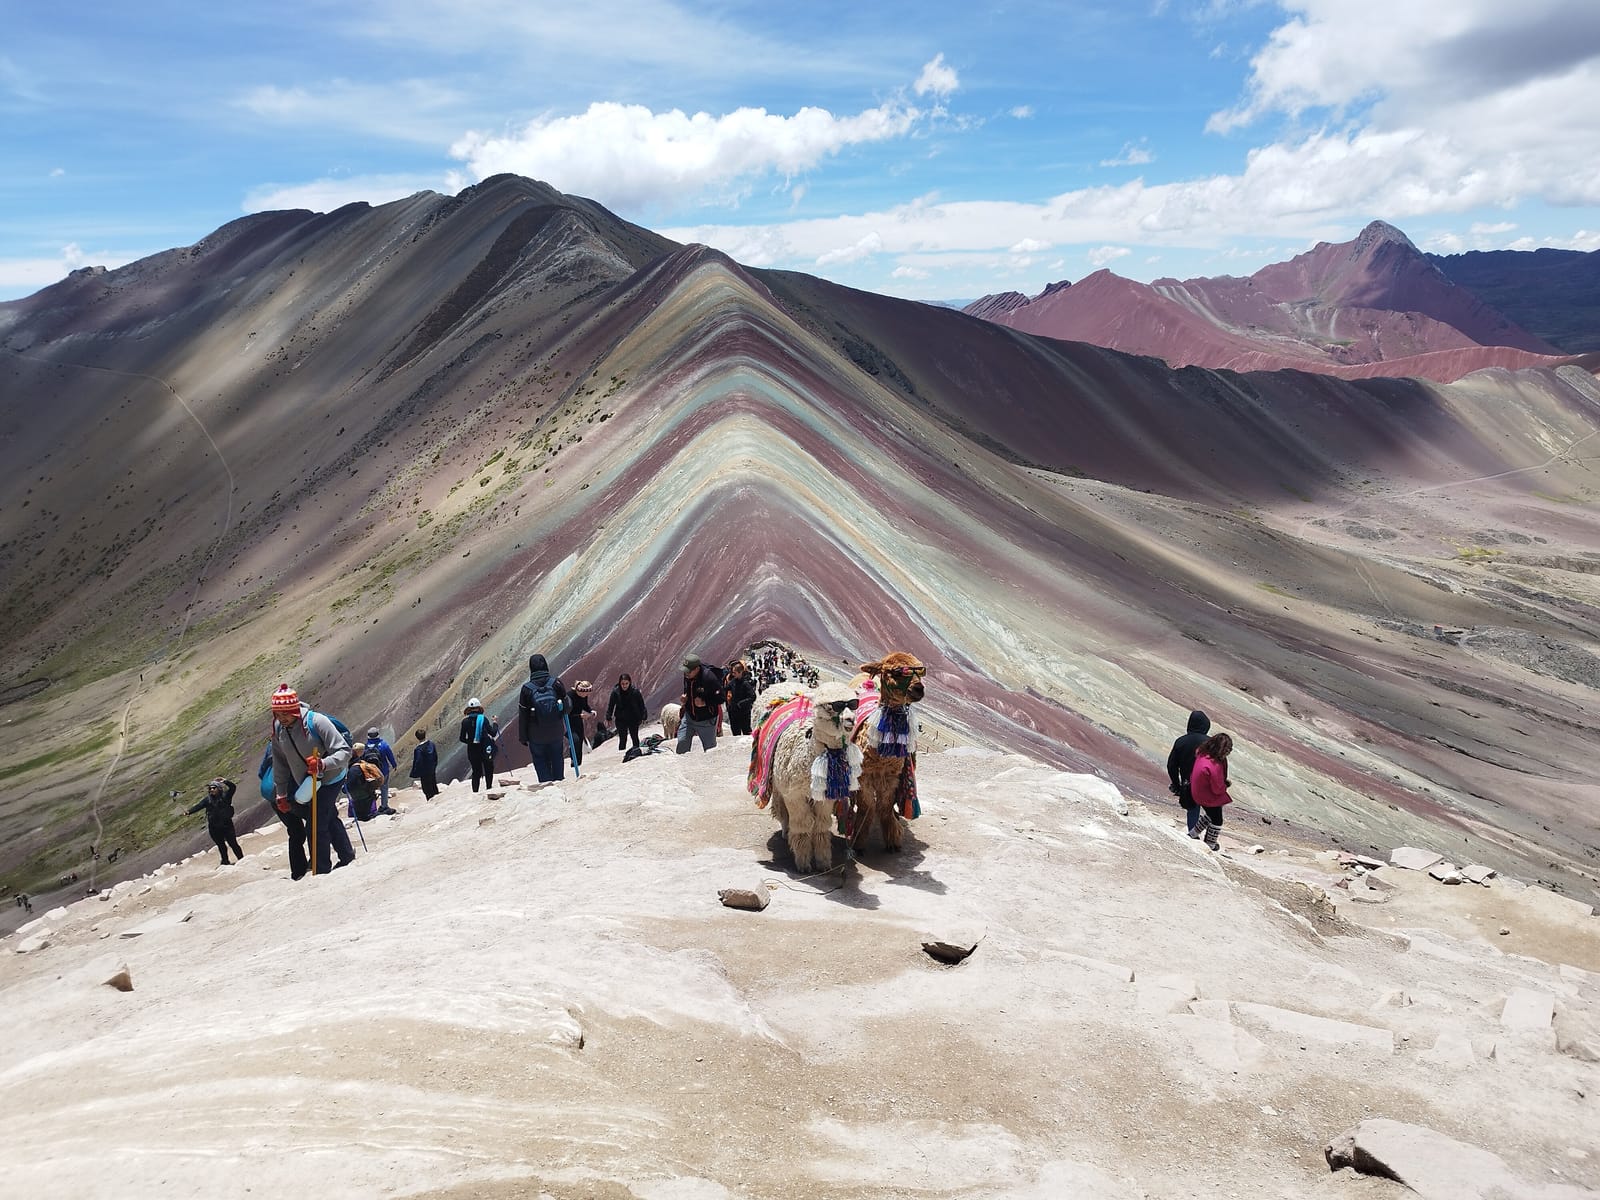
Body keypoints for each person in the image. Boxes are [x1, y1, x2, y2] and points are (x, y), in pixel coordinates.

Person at [269, 683, 355, 877]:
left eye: (286, 714)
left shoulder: (318, 722)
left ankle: (321, 869)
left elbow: (344, 752)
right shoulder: (278, 730)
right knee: (328, 816)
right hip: (308, 782)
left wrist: (323, 764)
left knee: (315, 824)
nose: (282, 719)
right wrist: (280, 793)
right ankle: (347, 855)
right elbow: (280, 763)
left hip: (331, 778)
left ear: (295, 710)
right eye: (278, 714)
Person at [519, 654, 571, 782]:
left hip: (536, 735)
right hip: (556, 731)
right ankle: (559, 780)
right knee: (557, 756)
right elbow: (567, 707)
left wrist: (523, 737)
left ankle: (546, 783)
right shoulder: (556, 683)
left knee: (540, 759)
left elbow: (523, 716)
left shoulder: (526, 689)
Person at [1166, 710, 1211, 838]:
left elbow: (1171, 766)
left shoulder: (1181, 742)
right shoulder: (1211, 743)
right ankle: (1210, 840)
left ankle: (1193, 834)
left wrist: (1176, 785)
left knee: (1192, 809)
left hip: (1188, 784)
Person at [1189, 732, 1235, 852]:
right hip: (1206, 795)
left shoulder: (1202, 753)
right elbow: (1217, 789)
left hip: (1197, 791)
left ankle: (1193, 834)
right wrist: (1226, 785)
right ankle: (1210, 844)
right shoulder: (1214, 765)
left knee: (1211, 814)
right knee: (1217, 819)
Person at [186, 777, 244, 865]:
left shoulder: (226, 796)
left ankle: (242, 859)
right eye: (210, 788)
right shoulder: (207, 800)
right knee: (221, 846)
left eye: (214, 788)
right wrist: (189, 812)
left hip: (227, 826)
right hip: (214, 827)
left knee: (233, 843)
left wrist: (225, 781)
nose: (211, 790)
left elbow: (233, 787)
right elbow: (199, 806)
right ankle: (225, 861)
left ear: (219, 788)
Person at [675, 653, 723, 754]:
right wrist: (685, 698)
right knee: (682, 743)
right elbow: (688, 689)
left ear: (696, 669)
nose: (686, 674)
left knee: (710, 750)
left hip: (706, 720)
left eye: (688, 671)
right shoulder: (687, 675)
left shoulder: (709, 678)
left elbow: (721, 698)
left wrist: (705, 703)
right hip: (689, 717)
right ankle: (682, 767)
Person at [459, 698, 498, 792]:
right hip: (485, 748)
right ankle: (489, 788)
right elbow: (493, 733)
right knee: (488, 769)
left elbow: (462, 738)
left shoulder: (465, 722)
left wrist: (472, 741)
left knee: (476, 772)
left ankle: (475, 792)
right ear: (479, 707)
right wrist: (495, 723)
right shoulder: (483, 719)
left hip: (472, 750)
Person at [606, 672, 647, 753]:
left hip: (633, 718)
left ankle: (636, 752)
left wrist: (644, 716)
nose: (624, 686)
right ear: (619, 683)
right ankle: (621, 755)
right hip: (621, 719)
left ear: (630, 682)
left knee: (634, 736)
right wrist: (608, 716)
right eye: (622, 684)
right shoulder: (616, 692)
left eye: (626, 683)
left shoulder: (635, 692)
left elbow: (641, 704)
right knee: (622, 738)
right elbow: (611, 705)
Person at [346, 743, 384, 821]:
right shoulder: (362, 763)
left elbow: (351, 784)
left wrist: (345, 789)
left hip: (359, 796)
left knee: (362, 816)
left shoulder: (354, 768)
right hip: (367, 793)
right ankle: (372, 812)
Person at [366, 726, 398, 814]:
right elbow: (390, 756)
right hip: (383, 771)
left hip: (371, 772)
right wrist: (394, 765)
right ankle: (384, 806)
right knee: (384, 788)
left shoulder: (366, 746)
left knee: (370, 789)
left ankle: (371, 808)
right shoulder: (384, 745)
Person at [724, 660, 757, 737]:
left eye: (734, 673)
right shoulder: (733, 681)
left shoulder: (746, 683)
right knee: (735, 732)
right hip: (734, 712)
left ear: (740, 672)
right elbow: (725, 689)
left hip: (744, 712)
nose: (732, 674)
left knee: (746, 731)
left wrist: (741, 704)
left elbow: (752, 697)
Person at [566, 681, 594, 769]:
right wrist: (580, 716)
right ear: (580, 691)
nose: (586, 696)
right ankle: (573, 761)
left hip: (578, 721)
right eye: (585, 693)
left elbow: (584, 705)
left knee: (580, 740)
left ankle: (578, 763)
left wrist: (591, 711)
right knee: (575, 740)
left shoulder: (583, 696)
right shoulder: (569, 696)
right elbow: (567, 714)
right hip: (569, 721)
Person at [410, 728, 439, 799]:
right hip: (432, 768)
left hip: (424, 772)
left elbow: (418, 761)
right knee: (433, 784)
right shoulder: (431, 744)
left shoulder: (418, 749)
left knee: (427, 789)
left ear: (417, 737)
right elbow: (435, 756)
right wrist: (434, 765)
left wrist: (415, 772)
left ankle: (430, 802)